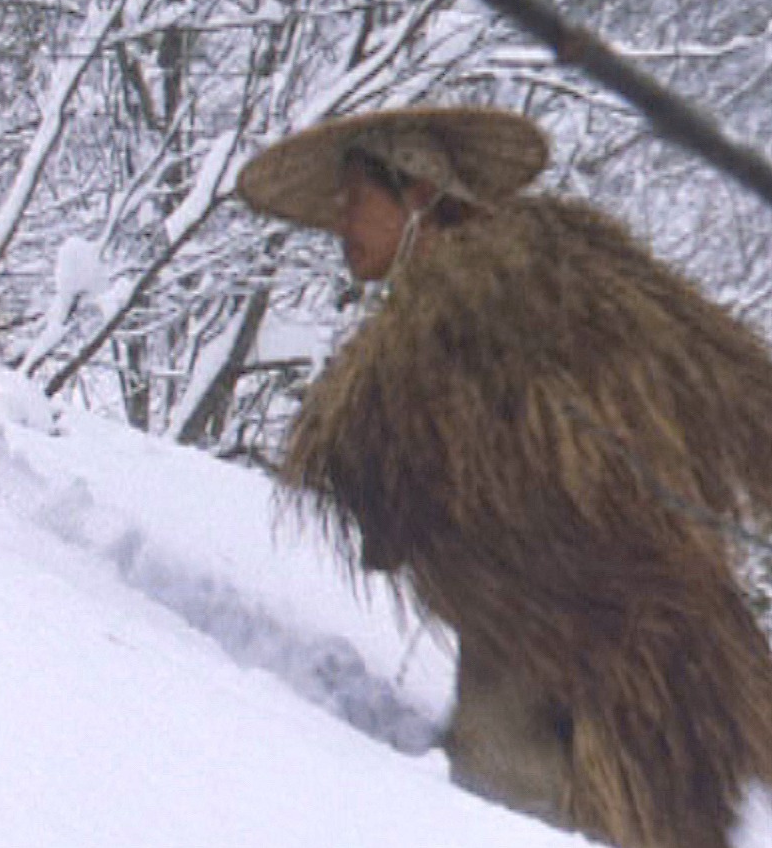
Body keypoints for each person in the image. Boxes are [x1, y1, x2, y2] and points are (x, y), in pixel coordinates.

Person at [237, 106, 772, 848]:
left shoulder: (505, 297)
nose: (339, 221)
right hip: (576, 643)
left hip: (595, 654)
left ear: (416, 192)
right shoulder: (511, 296)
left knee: (517, 805)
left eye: (353, 196)